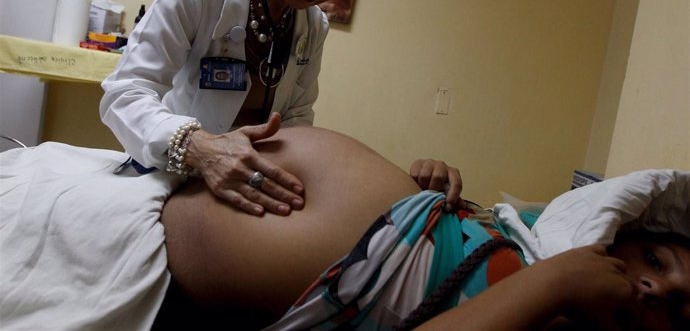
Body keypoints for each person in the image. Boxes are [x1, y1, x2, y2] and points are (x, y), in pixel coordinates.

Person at [99, 0, 462, 217]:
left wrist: (408, 186)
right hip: (171, 178)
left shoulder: (312, 26)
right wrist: (201, 150)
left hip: (248, 189)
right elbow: (124, 94)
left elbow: (297, 124)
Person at [157, 126, 690, 330]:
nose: (655, 289)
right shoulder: (547, 233)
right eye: (654, 261)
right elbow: (487, 238)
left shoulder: (563, 302)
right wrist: (437, 190)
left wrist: (559, 282)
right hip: (199, 180)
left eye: (678, 307)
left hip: (171, 242)